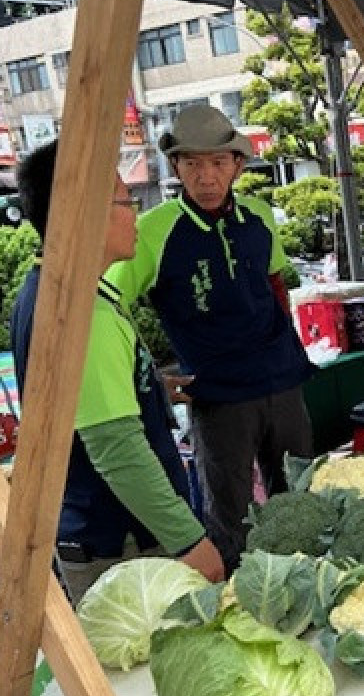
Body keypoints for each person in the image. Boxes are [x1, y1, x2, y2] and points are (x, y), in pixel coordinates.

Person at [9, 142, 224, 600]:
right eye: (125, 201)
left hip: (95, 533)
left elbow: (80, 403)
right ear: (83, 211)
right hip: (123, 544)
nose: (135, 214)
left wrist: (149, 388)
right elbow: (116, 448)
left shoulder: (46, 290)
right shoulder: (82, 312)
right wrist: (189, 541)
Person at [108, 105, 315, 570]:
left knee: (301, 499)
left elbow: (275, 285)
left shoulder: (261, 216)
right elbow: (110, 302)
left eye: (218, 163)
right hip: (219, 397)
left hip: (282, 382)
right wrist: (146, 378)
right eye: (192, 163)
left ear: (238, 166)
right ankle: (240, 601)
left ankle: (311, 579)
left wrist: (287, 347)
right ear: (176, 167)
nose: (205, 177)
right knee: (229, 517)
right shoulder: (154, 231)